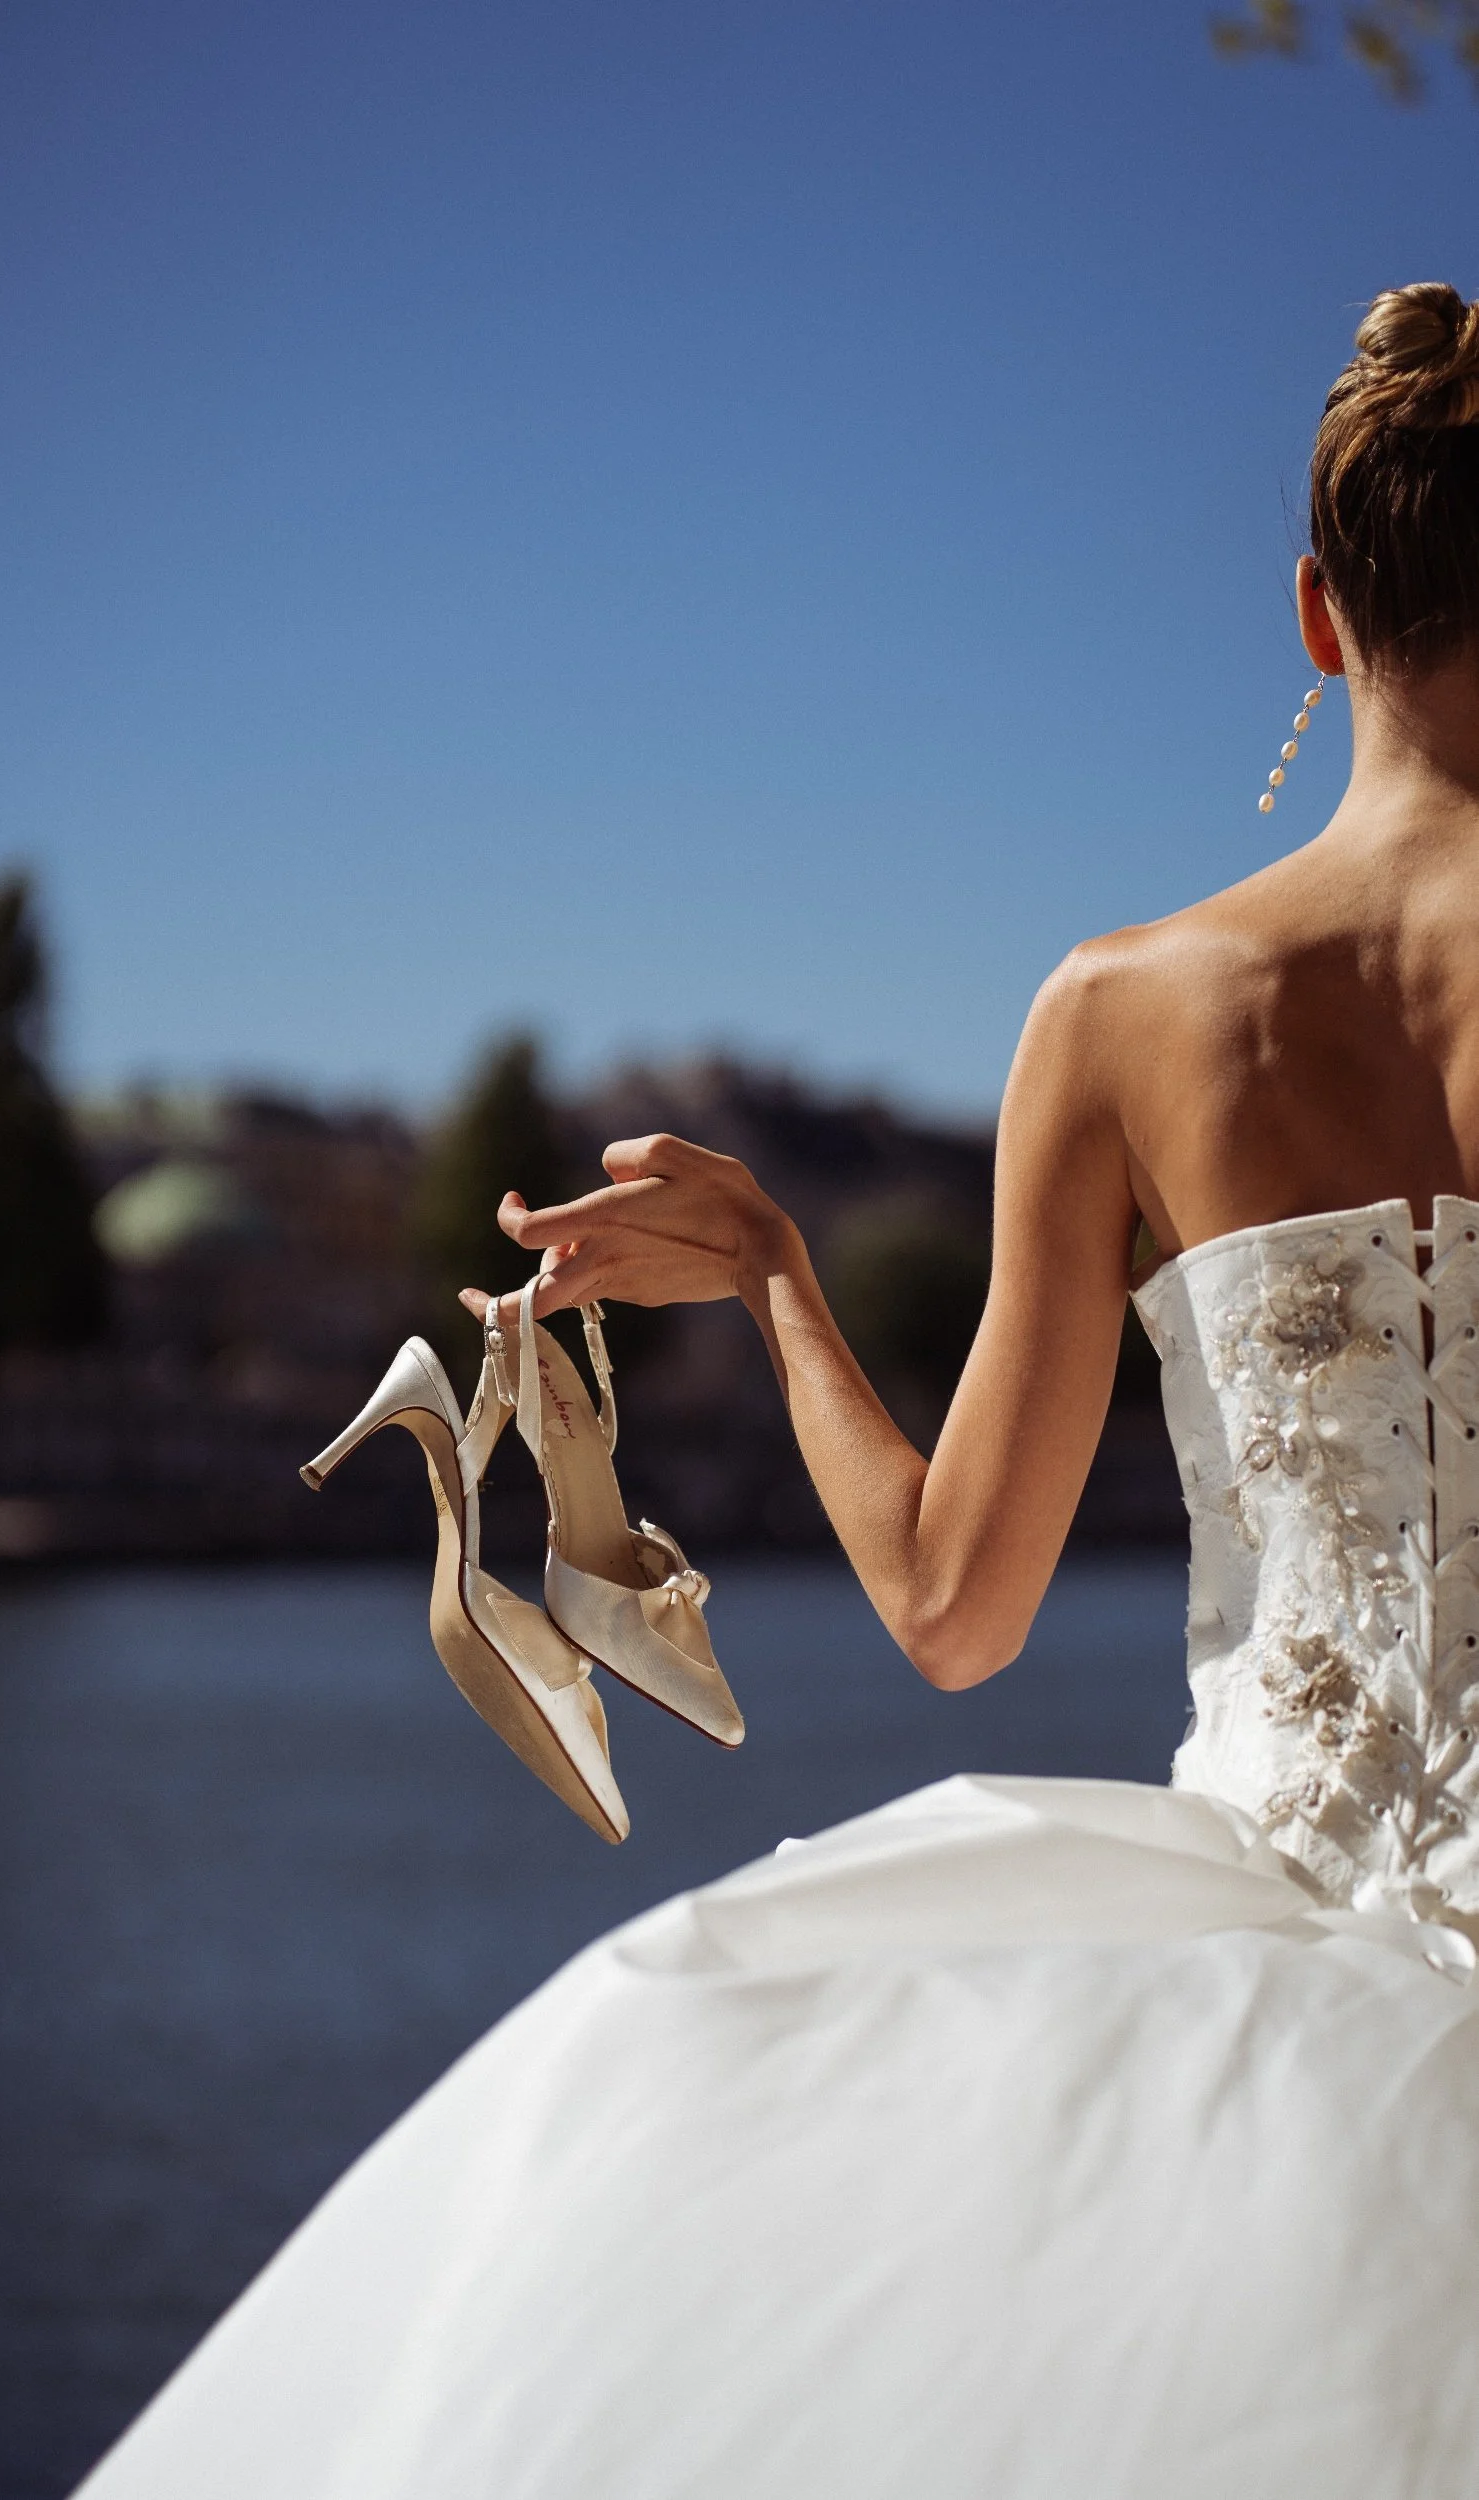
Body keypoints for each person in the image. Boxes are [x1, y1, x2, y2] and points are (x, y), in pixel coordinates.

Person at [77, 282, 1479, 2499]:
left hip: (1292, 1937)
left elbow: (946, 1606)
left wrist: (775, 1273)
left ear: (1314, 616)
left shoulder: (1127, 1013)